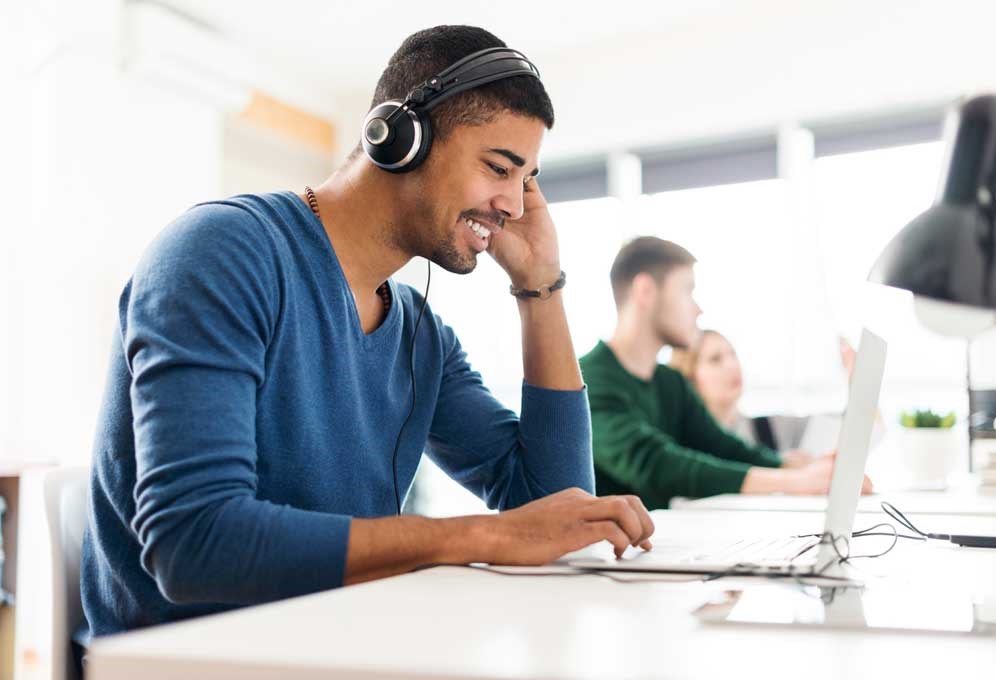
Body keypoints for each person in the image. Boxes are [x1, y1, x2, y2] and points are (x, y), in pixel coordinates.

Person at [79, 25, 654, 642]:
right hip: (194, 661)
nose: (514, 204)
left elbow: (555, 503)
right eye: (499, 167)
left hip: (340, 645)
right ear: (403, 139)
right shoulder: (223, 253)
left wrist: (540, 289)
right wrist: (478, 537)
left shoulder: (419, 332)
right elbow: (195, 544)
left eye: (526, 180)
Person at [579, 236, 872, 509]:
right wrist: (792, 481)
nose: (698, 309)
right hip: (604, 558)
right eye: (687, 290)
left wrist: (799, 467)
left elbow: (725, 448)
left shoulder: (669, 383)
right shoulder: (587, 380)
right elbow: (656, 465)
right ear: (645, 291)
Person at [671, 330, 870, 455]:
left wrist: (858, 381)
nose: (732, 365)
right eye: (715, 359)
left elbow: (855, 429)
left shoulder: (768, 428)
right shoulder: (677, 444)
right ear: (688, 377)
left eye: (733, 354)